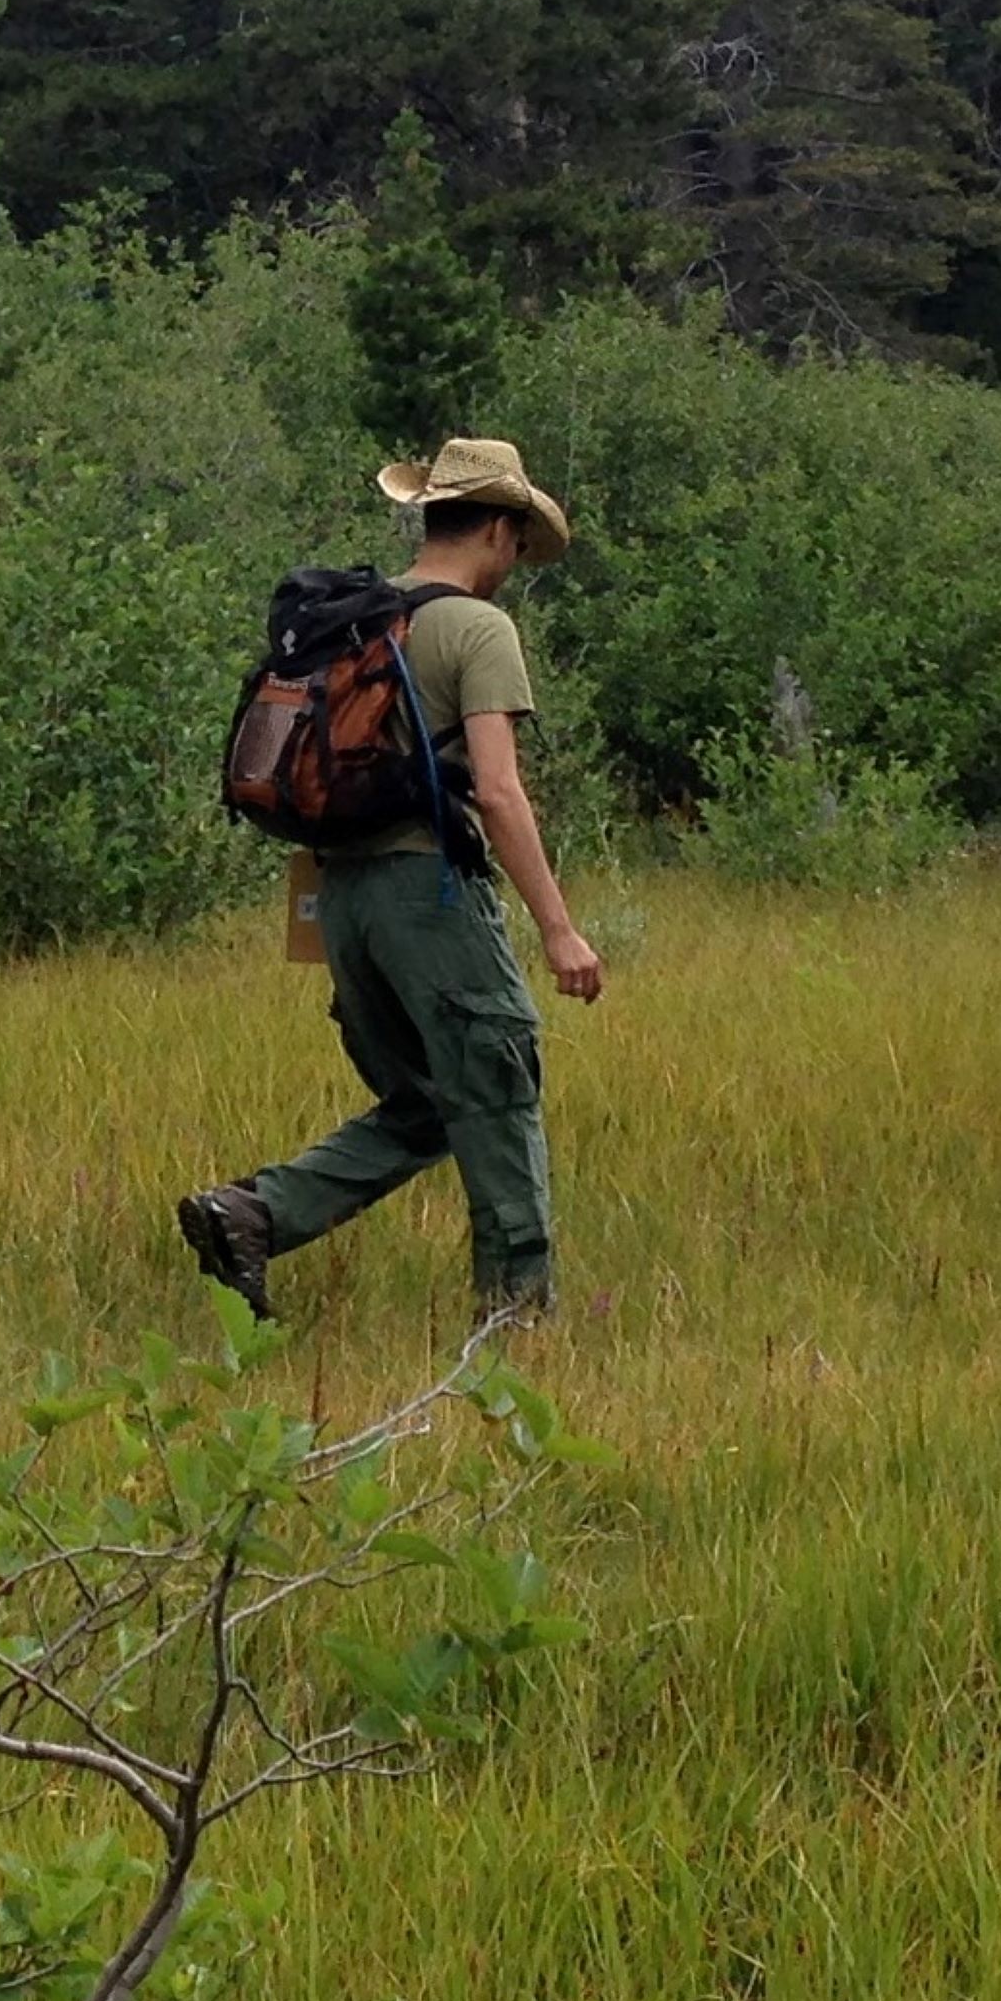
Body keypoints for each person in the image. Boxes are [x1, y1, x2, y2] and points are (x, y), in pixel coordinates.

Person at [181, 437, 610, 1332]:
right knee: (495, 1087)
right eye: (518, 547)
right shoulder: (475, 628)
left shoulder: (360, 622)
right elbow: (496, 789)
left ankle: (255, 1214)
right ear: (498, 528)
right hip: (430, 898)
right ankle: (519, 1321)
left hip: (340, 901)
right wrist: (560, 931)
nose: (514, 566)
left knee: (426, 1101)